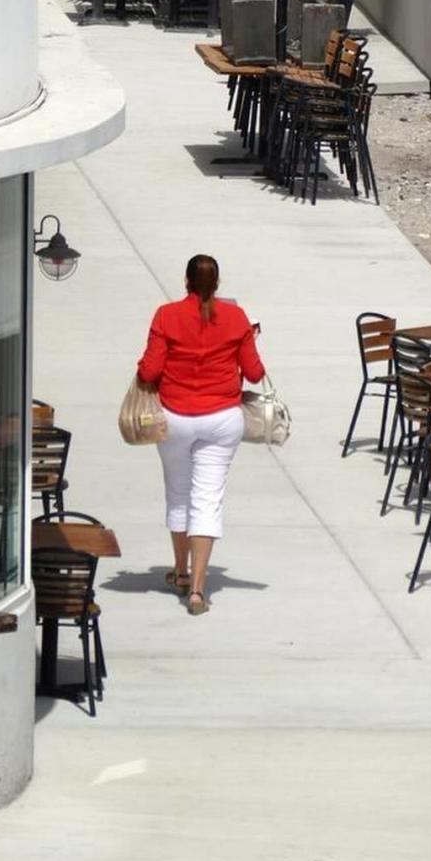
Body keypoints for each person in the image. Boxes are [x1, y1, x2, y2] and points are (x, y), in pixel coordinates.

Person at [136, 255, 265, 616]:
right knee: (207, 499)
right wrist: (249, 338)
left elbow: (150, 370)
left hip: (175, 416)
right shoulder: (237, 318)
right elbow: (254, 373)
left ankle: (180, 570)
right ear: (218, 283)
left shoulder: (166, 315)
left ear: (186, 281)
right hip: (222, 418)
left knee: (178, 492)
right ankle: (197, 591)